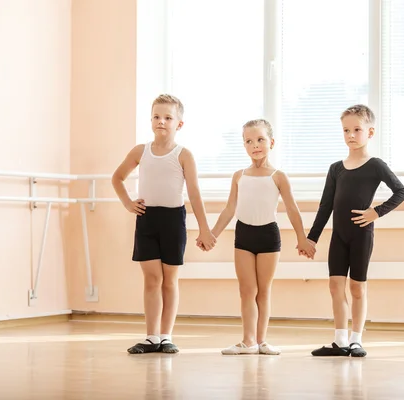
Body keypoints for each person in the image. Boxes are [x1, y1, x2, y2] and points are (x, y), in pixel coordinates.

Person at [199, 119, 315, 355]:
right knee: (246, 290)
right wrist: (212, 235)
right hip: (244, 234)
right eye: (249, 141)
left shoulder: (279, 176)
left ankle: (262, 341)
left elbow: (292, 209)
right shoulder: (239, 176)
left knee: (263, 290)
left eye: (260, 139)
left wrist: (302, 238)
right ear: (244, 145)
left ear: (271, 142)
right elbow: (229, 209)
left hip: (268, 235)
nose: (255, 145)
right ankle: (247, 341)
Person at [112, 94, 217, 354]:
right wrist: (127, 202)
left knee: (169, 279)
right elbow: (117, 178)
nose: (161, 121)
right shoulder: (140, 151)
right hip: (147, 219)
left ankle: (166, 336)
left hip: (173, 220)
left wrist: (204, 228)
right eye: (157, 117)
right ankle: (151, 337)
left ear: (179, 124)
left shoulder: (184, 155)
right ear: (150, 120)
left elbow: (194, 193)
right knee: (151, 278)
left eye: (168, 117)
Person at [305, 104, 404, 357]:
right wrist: (311, 238)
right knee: (334, 286)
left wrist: (377, 212)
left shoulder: (375, 165)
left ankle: (356, 340)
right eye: (346, 130)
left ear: (370, 132)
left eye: (357, 130)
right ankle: (339, 340)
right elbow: (325, 206)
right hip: (338, 236)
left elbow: (401, 191)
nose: (350, 135)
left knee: (357, 288)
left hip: (362, 234)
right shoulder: (336, 168)